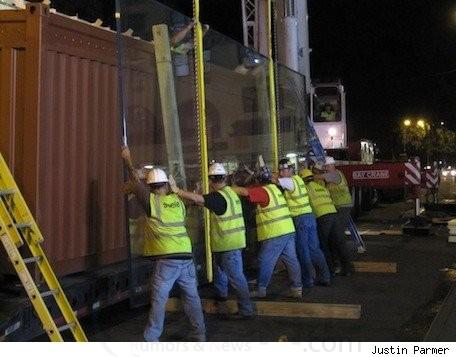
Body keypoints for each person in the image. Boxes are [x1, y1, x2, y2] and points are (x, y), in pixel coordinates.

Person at [121, 147, 206, 342]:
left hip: (167, 259)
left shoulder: (151, 202)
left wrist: (127, 159)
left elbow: (134, 183)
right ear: (167, 185)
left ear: (151, 187)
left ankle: (151, 338)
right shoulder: (177, 201)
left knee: (159, 300)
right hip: (186, 255)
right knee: (192, 297)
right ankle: (199, 333)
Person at [168, 162, 255, 320]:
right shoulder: (230, 193)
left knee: (236, 278)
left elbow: (198, 198)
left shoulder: (218, 197)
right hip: (230, 244)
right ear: (225, 178)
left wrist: (177, 190)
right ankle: (220, 300)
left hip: (228, 245)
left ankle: (246, 310)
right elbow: (202, 201)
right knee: (221, 274)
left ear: (210, 180)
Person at [232, 165, 303, 298]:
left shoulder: (263, 191)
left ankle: (261, 288)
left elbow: (245, 192)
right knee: (291, 259)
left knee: (265, 260)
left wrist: (229, 189)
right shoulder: (274, 189)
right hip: (288, 229)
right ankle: (297, 288)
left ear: (258, 181)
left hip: (275, 232)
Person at [275, 159, 331, 288]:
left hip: (300, 219)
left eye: (284, 170)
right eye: (281, 170)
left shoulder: (289, 181)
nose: (282, 173)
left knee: (303, 251)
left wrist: (268, 175)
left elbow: (275, 181)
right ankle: (325, 276)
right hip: (309, 217)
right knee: (315, 250)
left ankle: (308, 280)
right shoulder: (299, 180)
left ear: (290, 170)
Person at [300, 168, 354, 277]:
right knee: (339, 242)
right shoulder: (321, 187)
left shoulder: (306, 189)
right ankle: (348, 269)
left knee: (324, 245)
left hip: (322, 217)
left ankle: (329, 270)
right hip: (334, 214)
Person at [316, 156, 353, 241]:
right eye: (325, 167)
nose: (325, 168)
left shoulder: (335, 175)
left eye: (326, 166)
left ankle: (341, 251)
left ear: (332, 165)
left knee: (338, 232)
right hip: (338, 206)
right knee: (336, 231)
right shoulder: (335, 174)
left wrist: (310, 176)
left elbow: (320, 177)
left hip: (343, 206)